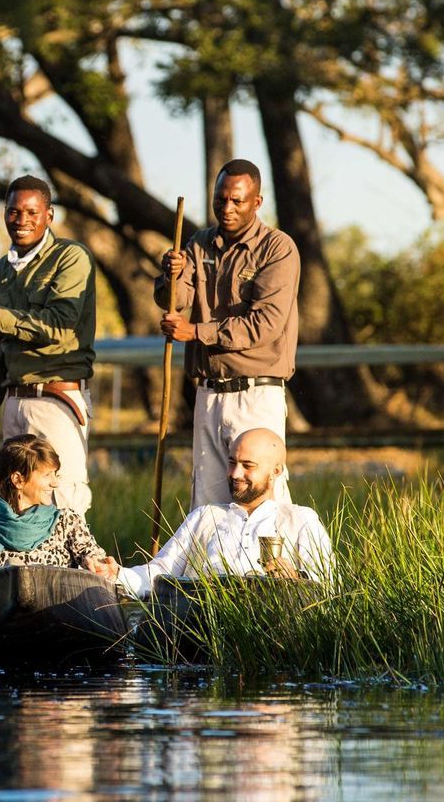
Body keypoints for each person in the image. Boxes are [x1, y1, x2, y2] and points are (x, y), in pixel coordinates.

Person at [155, 158, 299, 509]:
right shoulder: (198, 243)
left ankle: (277, 566)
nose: (227, 208)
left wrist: (196, 332)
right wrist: (169, 273)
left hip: (256, 393)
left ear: (257, 202)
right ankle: (211, 566)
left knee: (261, 499)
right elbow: (174, 299)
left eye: (237, 201)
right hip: (209, 393)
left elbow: (265, 323)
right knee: (207, 501)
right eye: (221, 200)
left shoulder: (277, 248)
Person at [0, 175, 98, 514]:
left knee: (61, 501)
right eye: (14, 212)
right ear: (5, 214)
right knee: (14, 503)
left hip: (57, 400)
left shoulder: (71, 257)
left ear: (49, 215)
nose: (22, 221)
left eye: (32, 212)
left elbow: (60, 327)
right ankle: (19, 569)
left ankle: (71, 569)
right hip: (14, 404)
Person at [115, 427, 332, 596]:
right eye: (232, 462)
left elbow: (328, 587)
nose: (235, 473)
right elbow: (160, 572)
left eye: (248, 465)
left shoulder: (300, 519)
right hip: (204, 629)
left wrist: (294, 579)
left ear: (276, 471)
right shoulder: (205, 516)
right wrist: (117, 574)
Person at [0, 435, 119, 585]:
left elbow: (90, 553)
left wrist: (99, 564)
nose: (55, 483)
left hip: (53, 613)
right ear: (18, 480)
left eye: (56, 474)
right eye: (47, 475)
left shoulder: (66, 521)